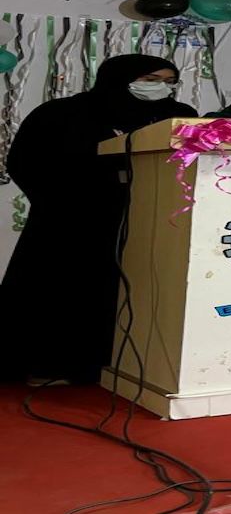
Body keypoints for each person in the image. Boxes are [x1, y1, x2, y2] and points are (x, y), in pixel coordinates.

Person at [1, 54, 196, 385]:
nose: (161, 87)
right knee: (62, 292)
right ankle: (48, 364)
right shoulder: (63, 113)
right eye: (150, 80)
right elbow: (25, 161)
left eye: (168, 81)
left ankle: (120, 363)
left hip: (151, 221)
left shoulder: (179, 116)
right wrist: (61, 200)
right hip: (72, 221)